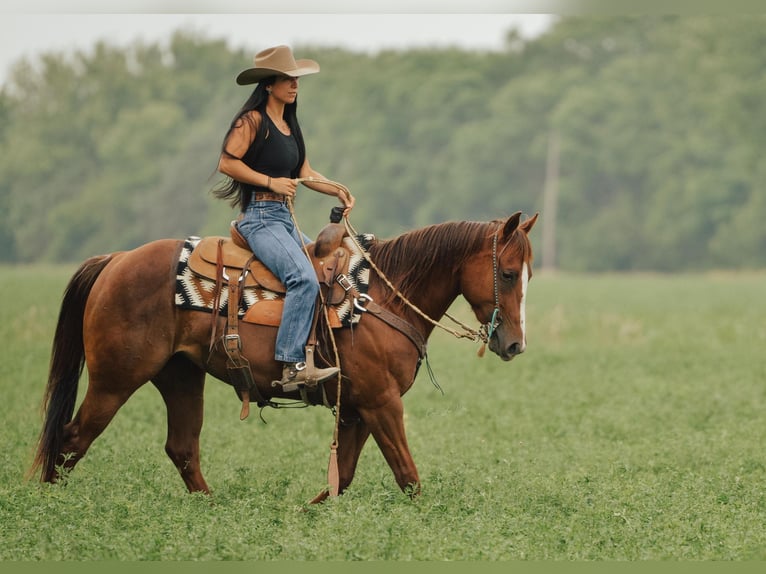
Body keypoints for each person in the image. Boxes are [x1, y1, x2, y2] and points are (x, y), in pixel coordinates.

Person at [213, 45, 355, 391]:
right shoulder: (253, 121)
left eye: (296, 79)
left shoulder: (289, 125)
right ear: (268, 85)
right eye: (287, 79)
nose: (295, 85)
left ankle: (316, 352)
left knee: (329, 272)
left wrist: (337, 189)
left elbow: (304, 171)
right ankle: (291, 365)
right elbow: (227, 163)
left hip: (283, 219)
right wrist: (270, 181)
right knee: (303, 279)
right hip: (260, 218)